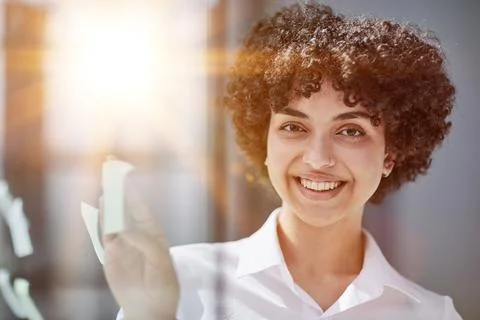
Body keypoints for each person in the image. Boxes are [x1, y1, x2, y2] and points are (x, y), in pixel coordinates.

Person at [104, 2, 462, 319]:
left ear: (392, 153)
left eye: (350, 131)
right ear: (264, 139)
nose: (319, 158)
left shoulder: (431, 314)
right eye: (293, 126)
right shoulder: (181, 281)